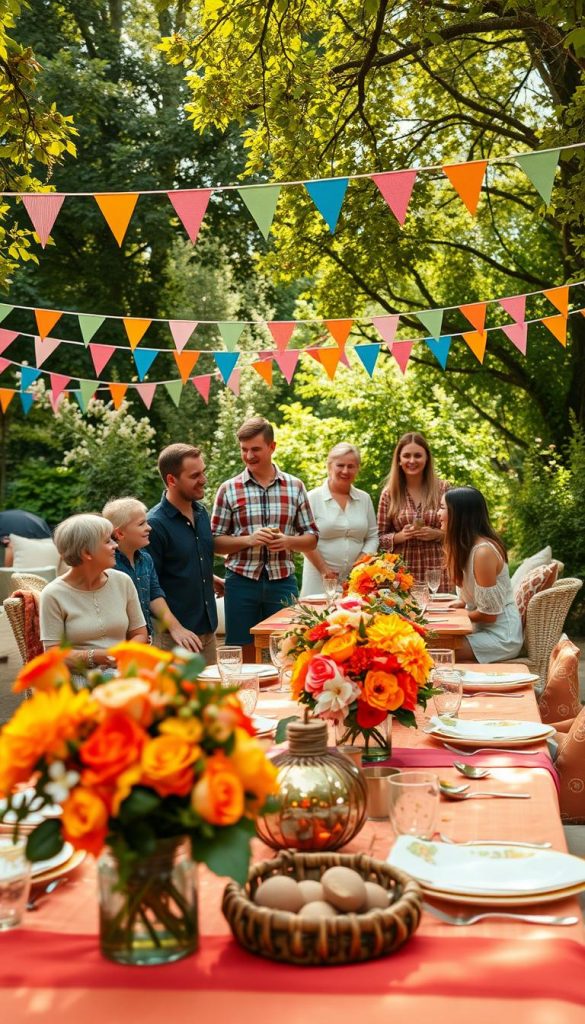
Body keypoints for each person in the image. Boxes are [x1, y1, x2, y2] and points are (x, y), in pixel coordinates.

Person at [211, 416, 319, 659]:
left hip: (282, 580)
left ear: (272, 447)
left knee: (288, 648)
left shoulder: (295, 486)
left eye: (255, 449)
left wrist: (288, 541)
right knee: (243, 650)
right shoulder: (229, 488)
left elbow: (312, 538)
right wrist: (249, 540)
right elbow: (215, 542)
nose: (249, 455)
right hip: (240, 582)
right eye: (244, 450)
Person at [39, 513, 148, 678]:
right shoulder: (53, 594)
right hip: (77, 681)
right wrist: (95, 656)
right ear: (87, 553)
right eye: (107, 541)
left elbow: (140, 634)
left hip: (123, 674)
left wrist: (120, 657)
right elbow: (53, 654)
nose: (115, 546)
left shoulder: (123, 581)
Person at [147, 444, 222, 666]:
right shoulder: (155, 524)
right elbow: (149, 585)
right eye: (195, 475)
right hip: (174, 640)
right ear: (172, 480)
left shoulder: (200, 512)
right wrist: (176, 629)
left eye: (203, 471)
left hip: (208, 634)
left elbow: (186, 561)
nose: (204, 479)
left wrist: (210, 579)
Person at [102, 497, 203, 652]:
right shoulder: (108, 565)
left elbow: (154, 594)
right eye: (142, 524)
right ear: (120, 533)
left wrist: (176, 628)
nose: (149, 528)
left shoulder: (145, 559)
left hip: (144, 643)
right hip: (117, 646)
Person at [439, 486, 523, 663]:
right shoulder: (464, 548)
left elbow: (489, 614)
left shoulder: (483, 552)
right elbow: (471, 597)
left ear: (459, 514)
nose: (437, 514)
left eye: (442, 508)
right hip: (478, 629)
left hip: (500, 636)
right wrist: (458, 604)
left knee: (435, 653)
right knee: (428, 644)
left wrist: (453, 617)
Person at [300, 442, 378, 596]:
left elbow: (373, 537)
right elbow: (303, 538)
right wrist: (324, 570)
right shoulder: (312, 498)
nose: (345, 470)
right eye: (340, 465)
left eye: (351, 466)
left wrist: (361, 564)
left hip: (356, 581)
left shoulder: (364, 499)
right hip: (318, 579)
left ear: (358, 469)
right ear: (330, 466)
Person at [377, 431, 450, 588]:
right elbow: (378, 539)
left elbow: (459, 532)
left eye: (417, 455)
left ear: (427, 458)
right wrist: (400, 536)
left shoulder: (443, 488)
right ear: (399, 460)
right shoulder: (389, 493)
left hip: (438, 571)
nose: (412, 460)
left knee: (442, 611)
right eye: (406, 456)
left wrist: (436, 534)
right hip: (402, 573)